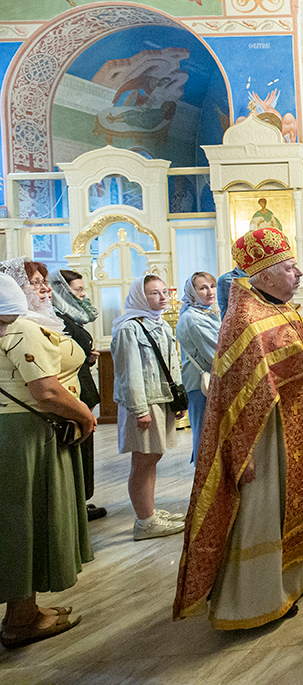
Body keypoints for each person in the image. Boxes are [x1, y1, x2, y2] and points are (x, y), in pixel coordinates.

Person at [174, 228, 303, 629]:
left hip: (299, 425)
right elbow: (236, 399)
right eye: (289, 268)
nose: (299, 273)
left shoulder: (281, 308)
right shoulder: (245, 320)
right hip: (266, 437)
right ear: (264, 275)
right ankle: (257, 599)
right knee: (266, 508)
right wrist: (241, 451)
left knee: (301, 501)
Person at [0, 269, 96, 649]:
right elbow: (47, 391)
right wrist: (85, 416)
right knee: (29, 518)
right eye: (33, 284)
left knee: (21, 518)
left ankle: (24, 608)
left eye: (44, 282)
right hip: (27, 434)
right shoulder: (21, 328)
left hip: (17, 432)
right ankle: (21, 619)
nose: (42, 289)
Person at [112, 274, 186, 539]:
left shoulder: (161, 324)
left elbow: (172, 363)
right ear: (140, 297)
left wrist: (178, 400)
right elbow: (129, 373)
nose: (163, 297)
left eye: (164, 292)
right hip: (143, 403)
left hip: (161, 398)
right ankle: (145, 522)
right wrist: (139, 409)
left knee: (154, 456)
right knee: (143, 460)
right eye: (154, 293)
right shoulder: (128, 328)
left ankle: (150, 512)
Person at [50, 268, 105, 521]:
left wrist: (88, 359)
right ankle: (75, 504)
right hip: (73, 392)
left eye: (83, 289)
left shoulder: (71, 315)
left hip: (83, 386)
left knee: (85, 447)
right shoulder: (57, 318)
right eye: (77, 290)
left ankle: (81, 500)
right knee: (76, 445)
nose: (83, 294)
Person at [175, 272, 219, 463]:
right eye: (203, 288)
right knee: (205, 434)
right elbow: (215, 352)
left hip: (209, 380)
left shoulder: (205, 313)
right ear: (192, 292)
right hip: (201, 383)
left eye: (212, 286)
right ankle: (204, 477)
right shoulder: (194, 318)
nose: (210, 291)